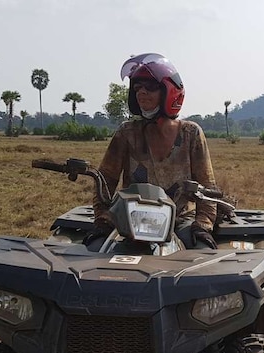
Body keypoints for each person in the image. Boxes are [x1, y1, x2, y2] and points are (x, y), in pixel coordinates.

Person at [88, 53, 218, 250]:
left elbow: (207, 188)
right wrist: (103, 219)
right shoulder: (127, 133)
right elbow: (105, 181)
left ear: (170, 91)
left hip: (180, 219)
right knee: (95, 250)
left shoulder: (191, 134)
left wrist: (203, 226)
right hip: (132, 219)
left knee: (203, 257)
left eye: (150, 87)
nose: (142, 93)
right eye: (138, 88)